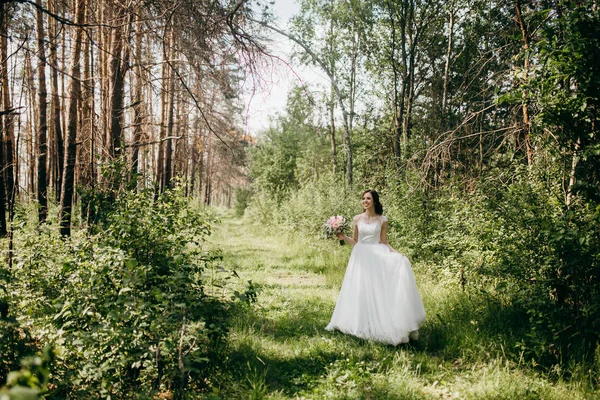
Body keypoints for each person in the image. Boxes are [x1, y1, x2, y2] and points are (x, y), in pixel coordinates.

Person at [325, 189, 426, 345]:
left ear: (375, 201)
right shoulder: (357, 219)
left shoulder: (382, 220)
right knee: (359, 289)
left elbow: (383, 242)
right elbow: (356, 241)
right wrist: (342, 237)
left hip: (376, 255)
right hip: (360, 256)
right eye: (363, 198)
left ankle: (382, 321)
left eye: (368, 199)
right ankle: (359, 321)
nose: (365, 201)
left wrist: (398, 254)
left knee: (376, 289)